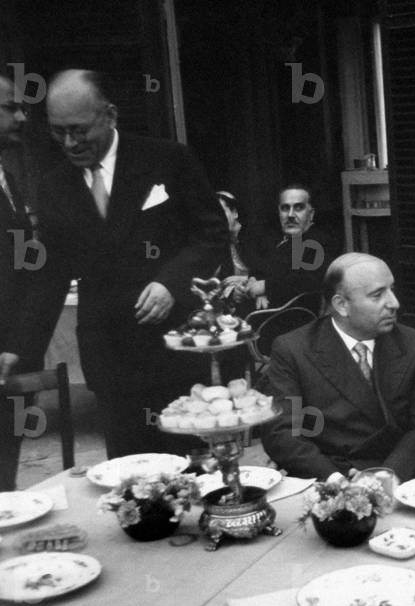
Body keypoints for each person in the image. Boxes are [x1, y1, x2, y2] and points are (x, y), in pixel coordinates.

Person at [12, 69, 227, 458]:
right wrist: (20, 349)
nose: (70, 143)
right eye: (58, 132)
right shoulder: (53, 185)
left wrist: (170, 283)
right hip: (111, 360)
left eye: (79, 130)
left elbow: (211, 235)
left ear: (109, 115)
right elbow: (50, 276)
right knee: (129, 484)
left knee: (193, 475)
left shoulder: (167, 159)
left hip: (175, 352)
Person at [262, 253, 415, 482]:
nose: (394, 303)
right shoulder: (293, 350)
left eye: (392, 289)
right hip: (326, 478)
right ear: (341, 305)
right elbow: (281, 432)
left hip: (397, 476)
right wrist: (335, 478)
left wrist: (388, 475)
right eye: (378, 295)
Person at [0, 73, 61, 490]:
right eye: (10, 108)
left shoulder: (10, 174)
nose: (23, 116)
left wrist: (20, 346)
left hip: (12, 361)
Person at [232, 184, 340, 311]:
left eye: (298, 208)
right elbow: (261, 270)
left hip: (294, 323)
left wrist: (265, 287)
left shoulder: (315, 242)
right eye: (285, 208)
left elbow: (307, 281)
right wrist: (251, 285)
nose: (290, 215)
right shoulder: (277, 240)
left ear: (311, 214)